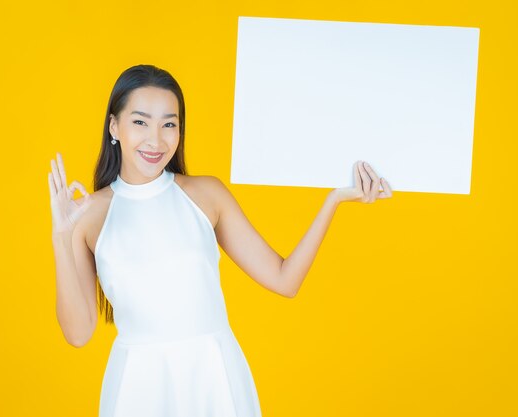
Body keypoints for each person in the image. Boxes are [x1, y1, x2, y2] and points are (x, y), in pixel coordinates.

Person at [48, 64, 392, 417]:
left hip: (214, 379)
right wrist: (61, 236)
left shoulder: (205, 195)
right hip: (138, 387)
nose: (156, 139)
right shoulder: (86, 215)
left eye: (169, 124)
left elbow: (285, 280)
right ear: (114, 127)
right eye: (140, 122)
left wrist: (333, 199)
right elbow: (78, 334)